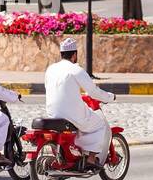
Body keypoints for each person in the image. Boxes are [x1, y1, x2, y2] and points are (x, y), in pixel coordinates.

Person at [44, 36, 116, 169]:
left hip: (52, 113)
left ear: (61, 54)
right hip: (71, 114)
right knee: (100, 124)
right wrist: (110, 97)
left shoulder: (51, 69)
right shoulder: (76, 70)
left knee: (85, 123)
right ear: (74, 54)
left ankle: (77, 153)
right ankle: (91, 158)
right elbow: (94, 92)